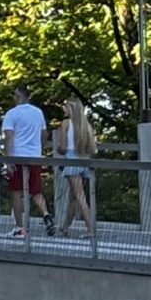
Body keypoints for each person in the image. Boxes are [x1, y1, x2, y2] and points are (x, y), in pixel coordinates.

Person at [0, 84, 51, 238]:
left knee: (16, 192)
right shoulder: (38, 112)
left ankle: (20, 227)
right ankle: (46, 214)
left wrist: (9, 160)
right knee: (36, 190)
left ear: (18, 97)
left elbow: (9, 137)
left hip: (18, 156)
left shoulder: (11, 114)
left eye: (14, 95)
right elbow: (44, 133)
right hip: (34, 156)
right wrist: (39, 147)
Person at [55, 91, 97, 236]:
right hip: (84, 160)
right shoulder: (86, 126)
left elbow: (63, 147)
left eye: (66, 107)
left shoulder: (66, 124)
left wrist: (58, 149)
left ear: (71, 109)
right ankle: (65, 227)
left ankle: (90, 228)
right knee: (74, 196)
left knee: (79, 196)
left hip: (71, 160)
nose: (64, 109)